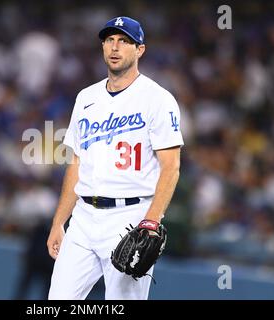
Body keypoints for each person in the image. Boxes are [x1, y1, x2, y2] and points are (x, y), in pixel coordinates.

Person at [46, 16, 184, 300]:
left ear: (140, 50)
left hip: (130, 217)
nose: (115, 47)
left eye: (124, 41)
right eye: (109, 40)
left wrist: (151, 221)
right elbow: (77, 164)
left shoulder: (157, 99)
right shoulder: (86, 98)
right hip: (83, 219)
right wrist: (60, 221)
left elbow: (171, 167)